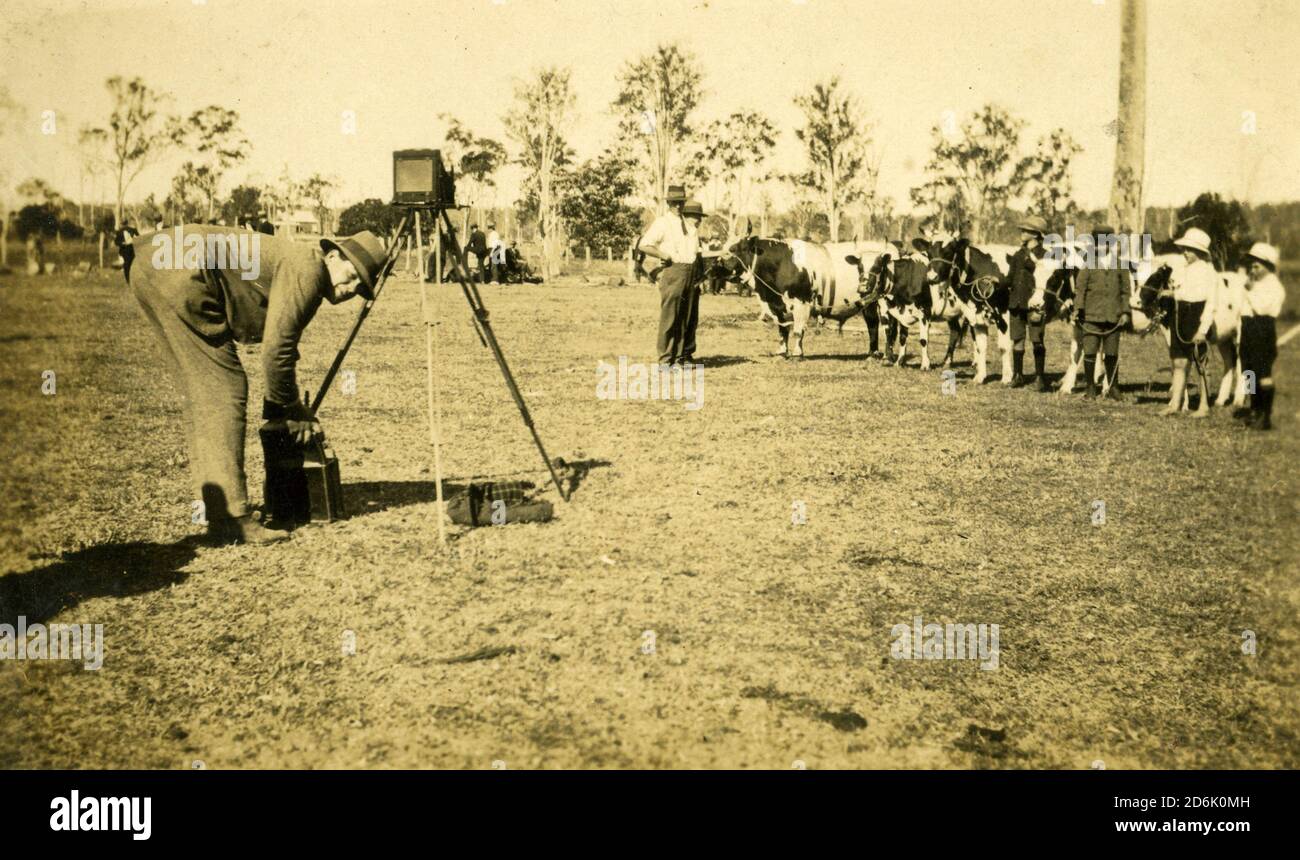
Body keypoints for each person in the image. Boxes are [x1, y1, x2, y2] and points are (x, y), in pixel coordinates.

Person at [131, 224, 386, 544]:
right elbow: (275, 351)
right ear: (332, 255)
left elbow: (283, 343)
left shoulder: (305, 270)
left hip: (152, 262)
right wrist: (292, 409)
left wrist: (281, 406)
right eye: (352, 275)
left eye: (361, 287)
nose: (352, 288)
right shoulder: (308, 268)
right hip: (178, 266)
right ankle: (230, 519)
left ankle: (217, 510)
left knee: (204, 390)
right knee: (224, 390)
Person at [1159, 227, 1219, 417]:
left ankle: (1204, 405)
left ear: (1200, 252)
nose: (1185, 252)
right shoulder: (1181, 269)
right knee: (1178, 361)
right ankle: (1175, 403)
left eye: (1190, 249)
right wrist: (1172, 294)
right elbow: (1181, 291)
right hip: (1180, 315)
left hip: (1197, 315)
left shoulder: (1209, 272)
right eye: (1184, 249)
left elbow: (1211, 303)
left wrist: (1203, 329)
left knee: (1200, 363)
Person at [637, 185, 699, 365]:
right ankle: (665, 359)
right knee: (670, 317)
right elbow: (645, 245)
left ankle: (680, 357)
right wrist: (663, 255)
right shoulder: (662, 223)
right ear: (668, 203)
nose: (677, 206)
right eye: (674, 203)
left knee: (686, 318)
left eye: (680, 202)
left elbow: (695, 250)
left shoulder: (688, 225)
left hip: (690, 271)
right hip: (673, 271)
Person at [1072, 225, 1131, 401]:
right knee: (1089, 352)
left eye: (1106, 242)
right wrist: (1078, 309)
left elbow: (1125, 291)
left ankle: (1113, 387)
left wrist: (1125, 312)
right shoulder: (1088, 263)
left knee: (1111, 353)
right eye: (1098, 242)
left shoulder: (1120, 264)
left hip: (1113, 316)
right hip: (1091, 316)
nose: (1101, 246)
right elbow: (1080, 289)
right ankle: (1091, 388)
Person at [1237, 242, 1285, 430]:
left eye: (1257, 266)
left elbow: (1261, 308)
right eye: (1252, 266)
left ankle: (1265, 415)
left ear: (1268, 266)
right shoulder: (1256, 284)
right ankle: (1254, 408)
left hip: (1263, 330)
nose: (1253, 270)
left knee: (1262, 372)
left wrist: (1249, 291)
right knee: (1248, 371)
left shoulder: (1274, 285)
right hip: (1249, 329)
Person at [1006, 215, 1049, 389]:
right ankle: (1018, 375)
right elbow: (1010, 279)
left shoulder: (1046, 255)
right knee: (1017, 339)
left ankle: (1040, 378)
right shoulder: (1018, 255)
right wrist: (995, 281)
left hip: (1035, 304)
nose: (1022, 233)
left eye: (1026, 231)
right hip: (1016, 303)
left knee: (1037, 339)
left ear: (1036, 234)